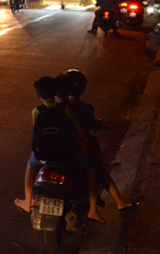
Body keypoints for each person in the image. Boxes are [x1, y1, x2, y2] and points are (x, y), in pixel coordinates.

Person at [15, 76, 103, 223]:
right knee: (92, 169)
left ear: (37, 95)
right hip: (67, 153)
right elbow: (79, 131)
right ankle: (93, 210)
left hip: (44, 154)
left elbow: (36, 134)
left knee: (30, 167)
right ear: (55, 92)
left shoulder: (36, 111)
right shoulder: (65, 109)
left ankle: (27, 201)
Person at [59, 70, 134, 212]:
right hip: (80, 145)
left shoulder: (56, 106)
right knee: (98, 169)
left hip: (60, 145)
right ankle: (118, 202)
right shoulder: (84, 109)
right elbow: (85, 129)